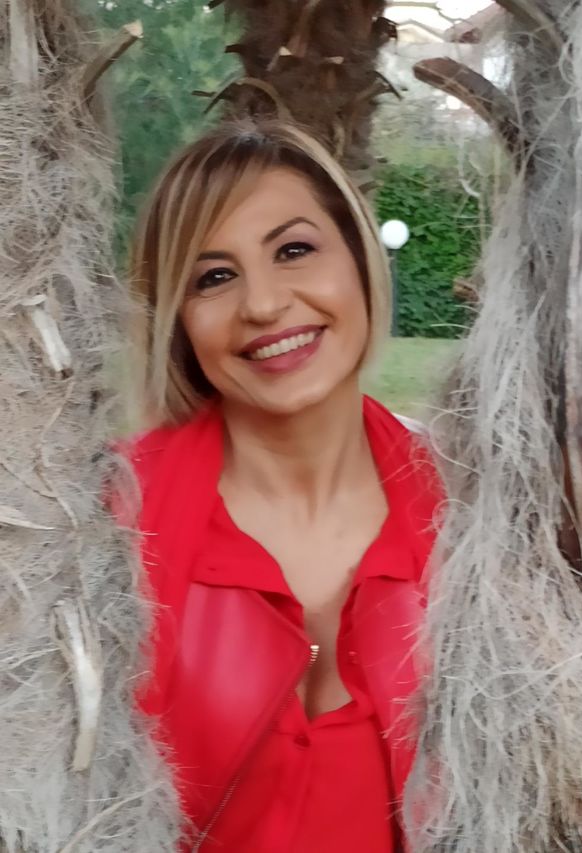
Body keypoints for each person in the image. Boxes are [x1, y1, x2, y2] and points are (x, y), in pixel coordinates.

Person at [126, 120, 441, 852]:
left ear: (359, 258)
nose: (264, 305)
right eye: (213, 277)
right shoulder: (100, 525)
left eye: (293, 250)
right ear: (179, 319)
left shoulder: (485, 515)